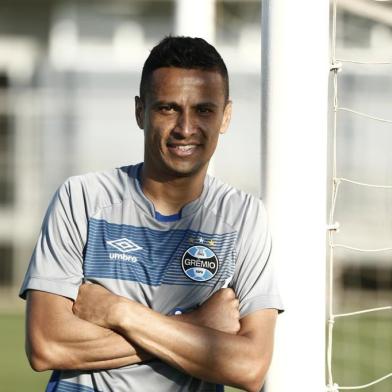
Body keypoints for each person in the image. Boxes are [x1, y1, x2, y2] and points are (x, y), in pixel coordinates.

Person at [20, 36, 283, 392]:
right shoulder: (82, 198)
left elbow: (249, 367)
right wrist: (199, 326)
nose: (185, 128)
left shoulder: (242, 216)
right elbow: (46, 345)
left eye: (204, 110)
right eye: (168, 108)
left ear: (226, 116)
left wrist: (118, 313)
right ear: (140, 111)